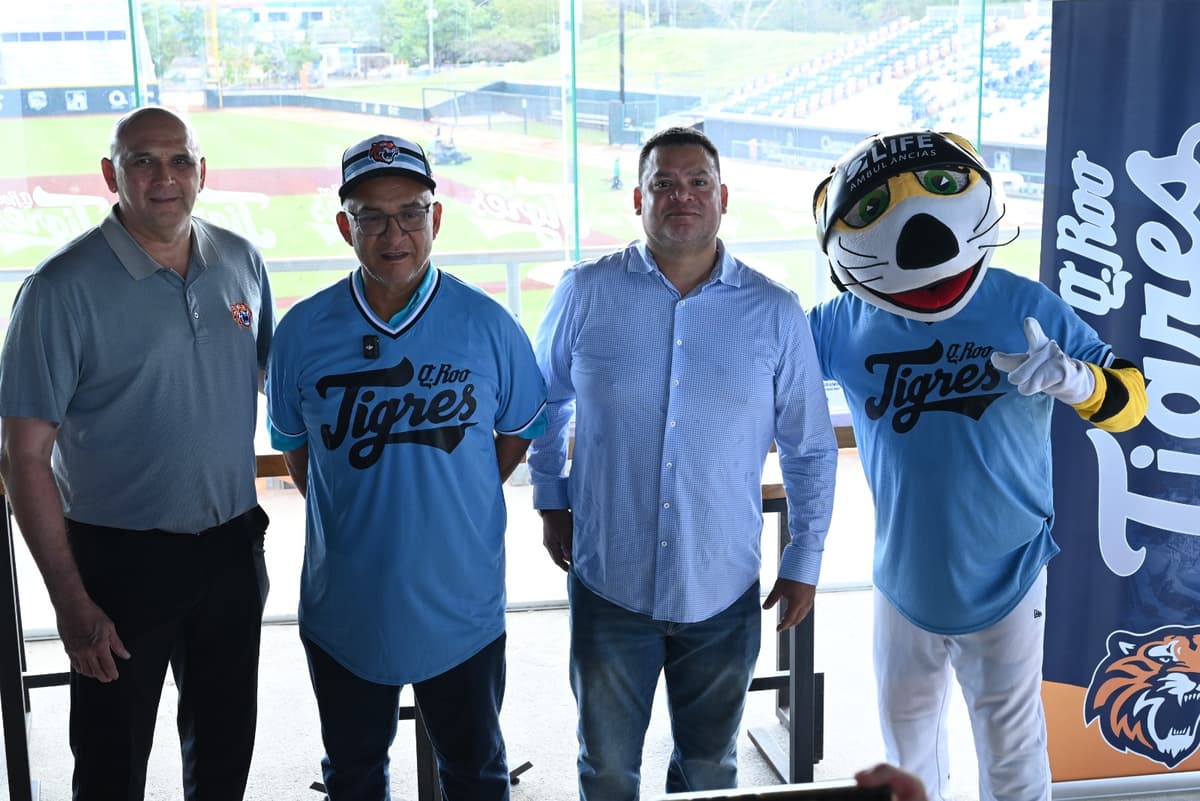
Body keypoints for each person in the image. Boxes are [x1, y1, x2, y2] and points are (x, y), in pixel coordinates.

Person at [806, 130, 1147, 801]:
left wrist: (1078, 381)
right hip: (903, 575)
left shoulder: (1023, 304)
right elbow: (763, 362)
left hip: (1008, 572)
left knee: (1014, 754)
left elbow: (1131, 402)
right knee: (906, 751)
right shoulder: (842, 323)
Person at [527, 126, 838, 800]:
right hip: (611, 581)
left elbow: (810, 446)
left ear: (723, 197)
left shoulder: (776, 312)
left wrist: (805, 558)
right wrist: (551, 497)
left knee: (709, 771)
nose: (681, 195)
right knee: (606, 768)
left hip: (722, 587)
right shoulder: (584, 292)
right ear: (637, 199)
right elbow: (541, 404)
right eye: (663, 183)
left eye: (697, 181)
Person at [0, 105, 273, 800]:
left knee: (223, 752)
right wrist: (68, 599)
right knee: (111, 762)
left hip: (231, 549)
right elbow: (24, 456)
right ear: (109, 174)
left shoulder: (242, 261)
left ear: (202, 171)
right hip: (118, 562)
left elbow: (269, 387)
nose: (164, 178)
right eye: (142, 161)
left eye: (180, 159)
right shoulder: (59, 290)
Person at [265, 133, 547, 801]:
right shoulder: (302, 332)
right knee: (355, 775)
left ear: (436, 218)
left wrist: (455, 497)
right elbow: (297, 451)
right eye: (372, 216)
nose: (396, 233)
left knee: (476, 772)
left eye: (412, 212)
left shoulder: (489, 325)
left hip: (462, 609)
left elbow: (513, 439)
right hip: (346, 610)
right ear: (344, 227)